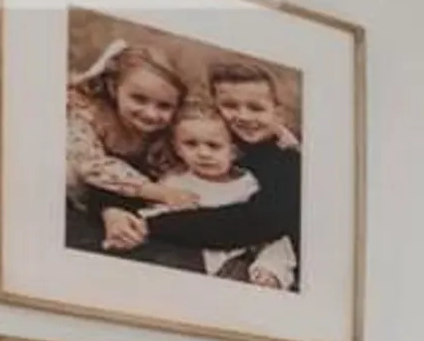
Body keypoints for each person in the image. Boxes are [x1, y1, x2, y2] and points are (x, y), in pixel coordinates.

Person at [104, 59, 305, 290]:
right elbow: (126, 172)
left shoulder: (285, 161)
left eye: (255, 108)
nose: (243, 116)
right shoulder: (197, 136)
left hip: (242, 262)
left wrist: (152, 225)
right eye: (229, 106)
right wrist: (113, 210)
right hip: (180, 250)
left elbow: (262, 223)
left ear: (277, 112)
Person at [65, 40, 186, 257]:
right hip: (70, 194)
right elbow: (90, 166)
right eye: (139, 99)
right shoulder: (90, 116)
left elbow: (165, 171)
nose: (151, 113)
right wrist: (157, 192)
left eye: (164, 106)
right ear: (114, 87)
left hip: (120, 204)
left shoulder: (168, 133)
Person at [119, 104, 264, 276]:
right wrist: (130, 230)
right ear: (177, 148)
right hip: (175, 254)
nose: (203, 153)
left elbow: (267, 234)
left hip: (227, 262)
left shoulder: (247, 185)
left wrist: (270, 268)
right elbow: (155, 215)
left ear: (233, 151)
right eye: (191, 144)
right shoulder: (174, 180)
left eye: (213, 145)